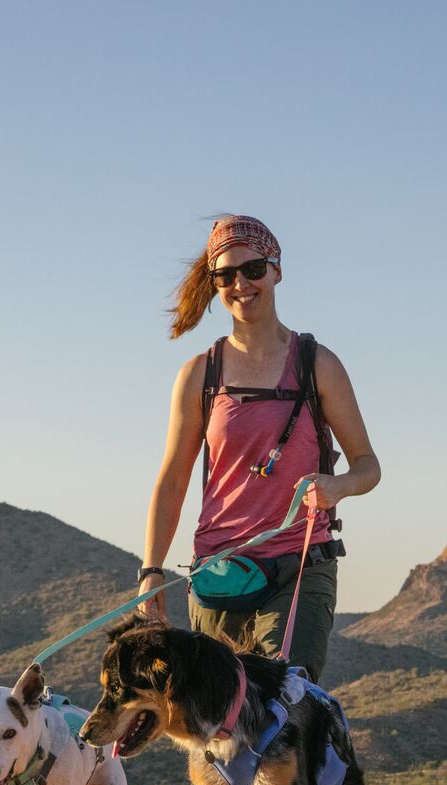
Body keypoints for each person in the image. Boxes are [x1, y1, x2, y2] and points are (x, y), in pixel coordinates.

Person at [134, 215, 380, 682]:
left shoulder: (317, 365)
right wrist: (151, 570)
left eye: (253, 270)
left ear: (276, 270)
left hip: (300, 565)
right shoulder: (198, 375)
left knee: (285, 702)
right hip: (219, 573)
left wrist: (338, 485)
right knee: (220, 732)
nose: (241, 284)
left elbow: (368, 466)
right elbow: (172, 480)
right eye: (225, 276)